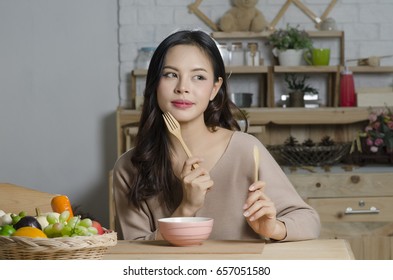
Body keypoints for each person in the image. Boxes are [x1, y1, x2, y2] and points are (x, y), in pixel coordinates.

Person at [113, 29, 320, 241]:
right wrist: (186, 209)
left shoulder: (245, 150)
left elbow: (308, 220)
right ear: (155, 83)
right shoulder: (129, 167)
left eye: (198, 77)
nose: (183, 87)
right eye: (171, 75)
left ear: (214, 88)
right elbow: (132, 252)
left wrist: (273, 228)